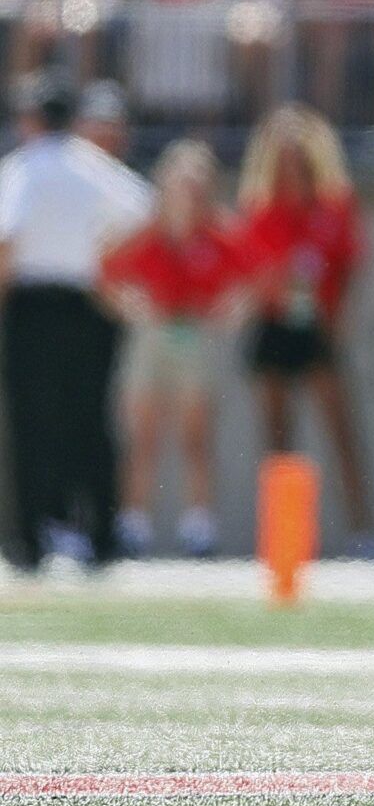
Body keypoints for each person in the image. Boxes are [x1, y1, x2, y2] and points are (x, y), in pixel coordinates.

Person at [0, 73, 153, 569]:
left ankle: (31, 537)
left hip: (34, 305)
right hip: (91, 305)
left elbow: (7, 241)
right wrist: (99, 255)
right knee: (91, 419)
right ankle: (102, 535)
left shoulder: (23, 167)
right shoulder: (95, 165)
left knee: (32, 422)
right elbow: (143, 209)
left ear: (32, 118)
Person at [237, 106, 374, 554]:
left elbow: (351, 262)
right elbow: (249, 269)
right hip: (275, 325)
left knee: (341, 430)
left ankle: (362, 530)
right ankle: (283, 540)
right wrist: (276, 280)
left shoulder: (335, 206)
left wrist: (338, 314)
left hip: (319, 326)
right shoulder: (259, 208)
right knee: (277, 437)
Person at [100, 139, 245, 559]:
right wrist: (129, 305)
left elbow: (250, 276)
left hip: (194, 332)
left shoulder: (219, 232)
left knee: (195, 435)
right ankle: (133, 524)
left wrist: (232, 309)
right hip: (153, 331)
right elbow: (106, 273)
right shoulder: (146, 231)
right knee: (143, 436)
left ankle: (199, 525)